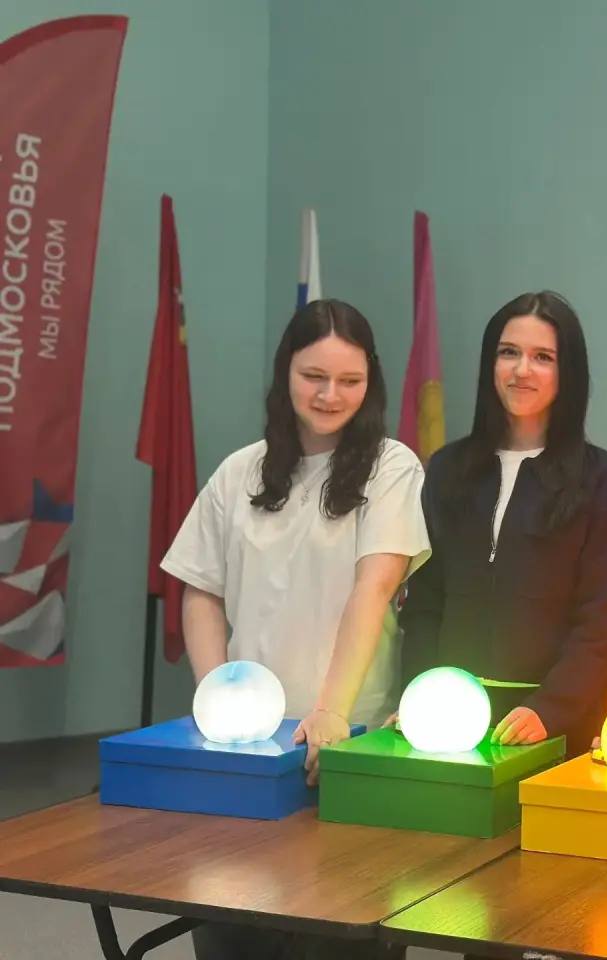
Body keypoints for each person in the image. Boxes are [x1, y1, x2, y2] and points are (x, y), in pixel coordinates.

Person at [163, 298, 429, 960]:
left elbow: (374, 588)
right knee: (233, 921)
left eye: (349, 380)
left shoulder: (392, 466)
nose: (330, 395)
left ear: (371, 381)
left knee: (340, 930)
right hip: (247, 749)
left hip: (347, 739)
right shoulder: (240, 471)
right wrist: (217, 698)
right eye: (314, 376)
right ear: (286, 371)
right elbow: (200, 589)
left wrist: (332, 711)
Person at [398, 291, 607, 756]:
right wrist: (415, 697)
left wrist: (549, 709)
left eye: (543, 357)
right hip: (447, 721)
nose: (522, 370)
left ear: (568, 372)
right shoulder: (447, 468)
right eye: (509, 353)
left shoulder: (598, 476)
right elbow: (423, 605)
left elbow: (601, 623)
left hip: (555, 727)